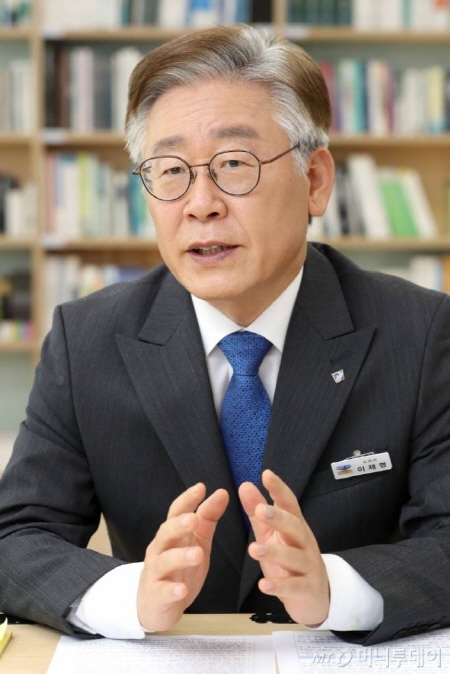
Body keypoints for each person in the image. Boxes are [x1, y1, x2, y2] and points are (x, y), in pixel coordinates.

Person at [1, 24, 450, 647]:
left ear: (315, 180)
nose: (200, 204)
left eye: (234, 164)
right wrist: (128, 595)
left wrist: (337, 588)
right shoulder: (88, 340)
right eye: (170, 171)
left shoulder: (421, 332)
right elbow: (18, 538)